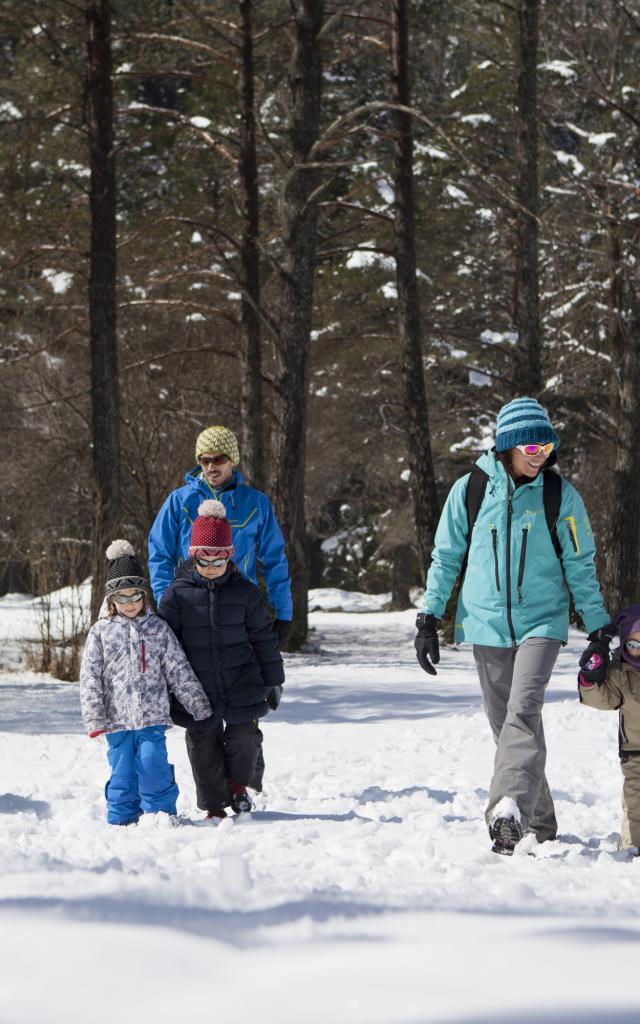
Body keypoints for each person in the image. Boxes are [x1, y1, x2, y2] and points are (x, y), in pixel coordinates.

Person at [415, 396, 615, 855]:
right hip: (484, 623)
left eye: (545, 446)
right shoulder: (469, 490)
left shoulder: (559, 496)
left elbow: (580, 564)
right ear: (507, 445)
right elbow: (446, 556)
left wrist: (598, 623)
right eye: (530, 446)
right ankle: (539, 823)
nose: (539, 455)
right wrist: (430, 616)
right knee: (506, 726)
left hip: (542, 621)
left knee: (522, 713)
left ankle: (507, 808)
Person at [158, 499, 284, 819]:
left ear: (229, 556)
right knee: (203, 744)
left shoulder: (246, 593)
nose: (211, 567)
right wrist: (163, 687)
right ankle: (214, 804)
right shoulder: (177, 595)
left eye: (218, 560)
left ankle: (238, 787)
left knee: (245, 737)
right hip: (196, 686)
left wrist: (274, 679)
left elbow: (264, 639)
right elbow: (165, 645)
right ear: (193, 556)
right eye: (204, 560)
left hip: (241, 680)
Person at [79, 540, 213, 826]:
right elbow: (90, 677)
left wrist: (197, 702)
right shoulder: (100, 632)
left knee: (153, 765)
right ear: (111, 599)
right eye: (122, 597)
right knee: (122, 770)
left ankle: (160, 814)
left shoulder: (157, 628)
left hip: (152, 717)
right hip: (116, 721)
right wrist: (94, 716)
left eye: (135, 596)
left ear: (144, 595)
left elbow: (178, 668)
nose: (130, 603)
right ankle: (122, 815)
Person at [148, 425, 293, 648]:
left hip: (240, 609)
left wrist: (284, 612)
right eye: (205, 460)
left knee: (246, 676)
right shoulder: (179, 501)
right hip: (190, 608)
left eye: (218, 459)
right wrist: (165, 603)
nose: (211, 466)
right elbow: (160, 554)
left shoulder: (256, 503)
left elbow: (274, 559)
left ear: (232, 460)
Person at [579, 604, 640, 855]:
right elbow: (602, 699)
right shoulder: (620, 672)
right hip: (635, 751)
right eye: (633, 645)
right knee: (636, 802)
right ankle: (633, 846)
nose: (638, 651)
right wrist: (590, 679)